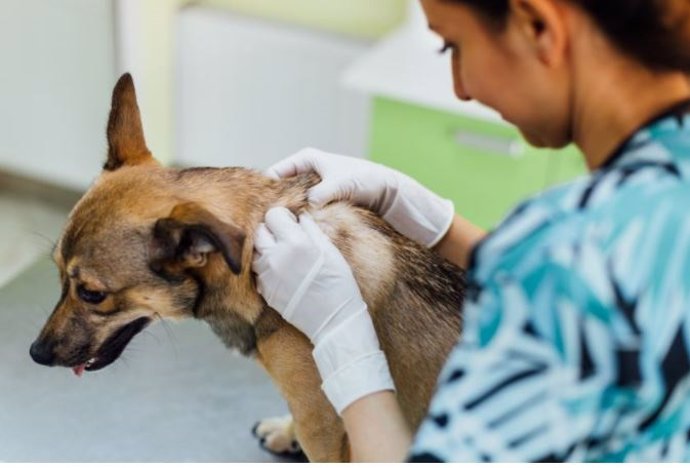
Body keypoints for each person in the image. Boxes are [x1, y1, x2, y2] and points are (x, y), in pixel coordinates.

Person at [251, 0, 690, 462]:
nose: (461, 89)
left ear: (538, 24)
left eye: (452, 46)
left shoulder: (563, 255)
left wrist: (343, 341)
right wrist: (436, 225)